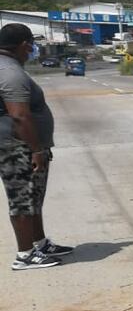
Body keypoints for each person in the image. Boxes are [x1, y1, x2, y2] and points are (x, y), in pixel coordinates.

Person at [0, 24, 72, 269]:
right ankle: (25, 254)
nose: (32, 49)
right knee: (22, 198)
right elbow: (20, 115)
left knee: (33, 197)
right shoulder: (9, 72)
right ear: (23, 45)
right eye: (31, 44)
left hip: (21, 145)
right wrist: (36, 149)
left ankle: (39, 244)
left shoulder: (9, 68)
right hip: (17, 146)